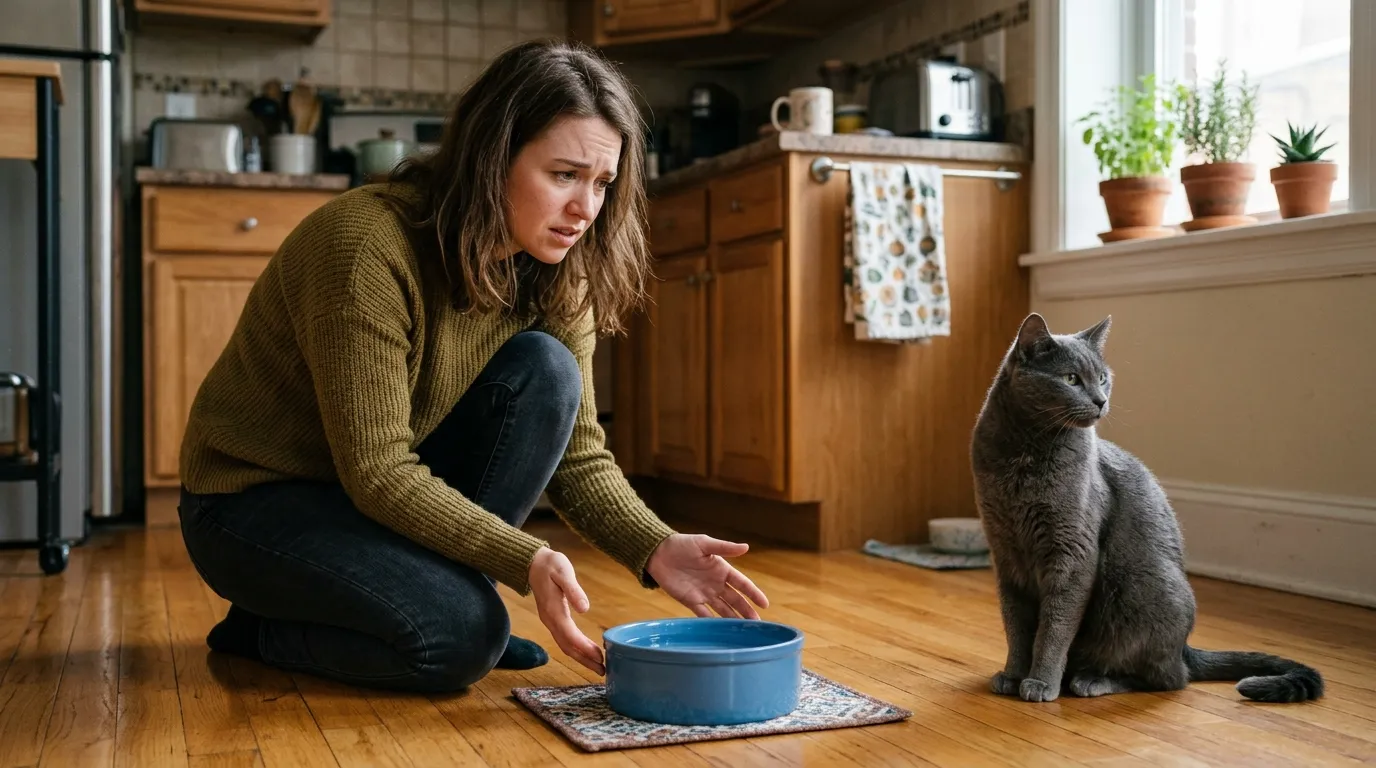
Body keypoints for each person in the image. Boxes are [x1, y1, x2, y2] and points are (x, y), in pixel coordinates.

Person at [176, 38, 769, 693]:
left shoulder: (556, 265)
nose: (585, 210)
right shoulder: (365, 247)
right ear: (493, 157)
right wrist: (526, 557)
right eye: (564, 174)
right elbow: (376, 470)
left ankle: (443, 605)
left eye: (602, 183)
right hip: (250, 507)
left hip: (366, 497)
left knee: (547, 370)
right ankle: (260, 628)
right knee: (458, 642)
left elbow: (579, 455)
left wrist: (655, 547)